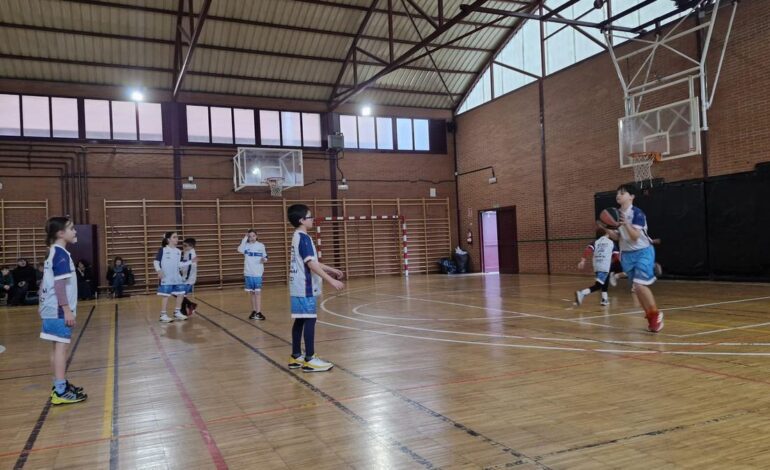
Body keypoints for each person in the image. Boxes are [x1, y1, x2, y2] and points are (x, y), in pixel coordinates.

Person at [286, 204, 344, 372]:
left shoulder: (297, 236)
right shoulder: (303, 238)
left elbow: (312, 261)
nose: (312, 219)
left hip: (297, 285)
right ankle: (310, 358)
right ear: (301, 220)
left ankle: (296, 356)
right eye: (310, 216)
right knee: (310, 319)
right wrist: (330, 280)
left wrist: (332, 270)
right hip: (305, 286)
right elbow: (311, 264)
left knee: (300, 319)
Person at [39, 217, 87, 404]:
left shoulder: (52, 252)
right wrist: (66, 310)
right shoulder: (61, 254)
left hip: (50, 308)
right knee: (61, 349)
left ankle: (59, 383)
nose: (75, 231)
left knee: (56, 349)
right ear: (60, 233)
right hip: (58, 310)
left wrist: (41, 304)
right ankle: (60, 391)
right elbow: (59, 285)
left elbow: (45, 281)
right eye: (71, 228)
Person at [607, 184, 663, 332]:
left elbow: (634, 237)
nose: (618, 195)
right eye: (617, 193)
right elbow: (618, 237)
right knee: (637, 289)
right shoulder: (616, 214)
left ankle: (656, 314)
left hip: (643, 251)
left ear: (631, 197)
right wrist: (607, 230)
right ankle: (650, 317)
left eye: (623, 193)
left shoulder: (637, 213)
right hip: (627, 255)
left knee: (639, 285)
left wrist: (625, 224)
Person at [153, 231, 190, 323]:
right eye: (174, 237)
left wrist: (191, 262)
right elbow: (156, 262)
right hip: (166, 277)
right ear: (168, 239)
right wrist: (159, 270)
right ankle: (163, 315)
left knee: (181, 293)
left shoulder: (178, 251)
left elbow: (179, 264)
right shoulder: (163, 250)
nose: (177, 239)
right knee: (166, 296)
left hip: (177, 277)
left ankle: (177, 312)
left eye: (177, 237)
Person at [575, 228, 615, 307]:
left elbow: (588, 250)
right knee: (598, 285)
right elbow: (616, 256)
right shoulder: (611, 242)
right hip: (605, 265)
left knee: (604, 281)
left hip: (597, 265)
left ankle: (604, 299)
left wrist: (583, 260)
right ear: (605, 234)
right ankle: (582, 293)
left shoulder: (595, 242)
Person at [238, 229, 268, 320]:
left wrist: (264, 260)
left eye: (253, 236)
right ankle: (254, 311)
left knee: (257, 293)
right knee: (252, 293)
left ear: (257, 236)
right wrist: (245, 237)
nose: (252, 238)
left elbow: (265, 256)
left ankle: (258, 312)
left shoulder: (261, 245)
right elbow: (239, 249)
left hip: (257, 273)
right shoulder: (245, 246)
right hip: (248, 272)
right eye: (250, 236)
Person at [180, 238, 198, 316]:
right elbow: (184, 264)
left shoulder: (191, 254)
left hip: (188, 279)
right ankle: (186, 308)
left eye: (185, 245)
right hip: (185, 277)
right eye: (183, 245)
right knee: (181, 294)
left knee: (181, 294)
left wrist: (186, 278)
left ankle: (185, 309)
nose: (183, 247)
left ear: (191, 246)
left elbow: (191, 267)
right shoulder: (187, 252)